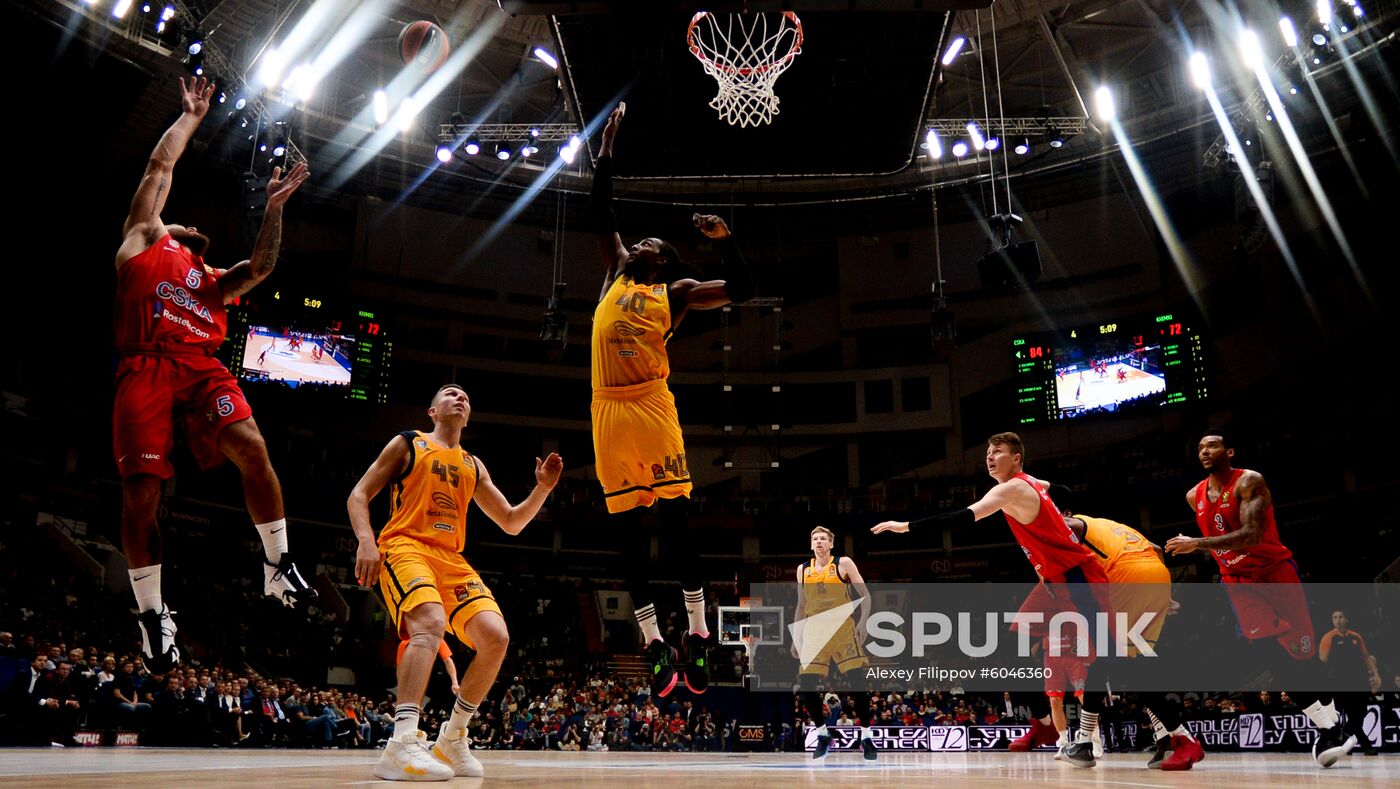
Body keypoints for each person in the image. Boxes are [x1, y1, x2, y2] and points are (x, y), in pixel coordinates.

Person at [111, 76, 316, 671]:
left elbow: (264, 265)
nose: (189, 222)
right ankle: (152, 612)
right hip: (145, 366)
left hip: (201, 371)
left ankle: (277, 565)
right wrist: (191, 118)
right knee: (141, 493)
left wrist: (274, 208)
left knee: (254, 448)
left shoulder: (213, 280)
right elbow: (158, 167)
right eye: (181, 219)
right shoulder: (143, 241)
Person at [590, 102, 754, 697]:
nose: (640, 242)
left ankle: (699, 634)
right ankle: (655, 642)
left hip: (651, 405)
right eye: (638, 240)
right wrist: (607, 148)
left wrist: (726, 238)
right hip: (607, 407)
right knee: (629, 532)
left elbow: (742, 289)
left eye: (651, 242)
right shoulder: (613, 272)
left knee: (678, 520)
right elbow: (599, 208)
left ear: (662, 259)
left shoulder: (675, 292)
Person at [348, 384, 563, 781]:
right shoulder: (409, 443)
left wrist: (542, 489)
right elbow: (359, 494)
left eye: (465, 396)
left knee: (496, 637)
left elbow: (512, 521)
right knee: (429, 622)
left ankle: (452, 737)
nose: (460, 397)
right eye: (450, 393)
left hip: (452, 558)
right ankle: (401, 742)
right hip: (406, 546)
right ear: (432, 411)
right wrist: (365, 539)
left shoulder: (472, 463)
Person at [872, 432, 1116, 768]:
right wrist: (1057, 508)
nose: (989, 456)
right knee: (1012, 644)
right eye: (988, 451)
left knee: (1110, 655)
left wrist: (906, 526)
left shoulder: (1011, 488)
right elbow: (1057, 489)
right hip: (1053, 582)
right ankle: (1047, 726)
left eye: (998, 451)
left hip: (1079, 577)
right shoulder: (1031, 482)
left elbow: (962, 516)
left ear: (1016, 458)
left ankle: (1092, 738)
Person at [1166, 429, 1354, 768]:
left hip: (1275, 573)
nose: (1205, 451)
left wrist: (1197, 543)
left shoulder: (1249, 482)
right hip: (1238, 581)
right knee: (1270, 652)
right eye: (1200, 447)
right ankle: (1329, 727)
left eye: (1213, 445)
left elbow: (1252, 535)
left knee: (1304, 656)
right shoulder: (1194, 496)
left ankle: (1334, 722)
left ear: (1230, 451)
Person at [791, 526, 877, 761]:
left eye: (823, 539)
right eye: (815, 539)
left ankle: (867, 737)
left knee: (857, 682)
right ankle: (822, 734)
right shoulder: (803, 569)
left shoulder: (843, 563)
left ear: (831, 544)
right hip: (814, 629)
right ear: (811, 545)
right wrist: (795, 637)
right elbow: (800, 605)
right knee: (806, 684)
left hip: (842, 627)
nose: (818, 542)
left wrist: (863, 622)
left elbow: (865, 595)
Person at [1319, 609, 1382, 755]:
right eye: (1334, 617)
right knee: (1352, 713)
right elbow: (1322, 662)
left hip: (1359, 680)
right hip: (1339, 682)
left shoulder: (1356, 637)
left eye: (1341, 617)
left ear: (1346, 619)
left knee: (1361, 712)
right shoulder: (1329, 638)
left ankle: (1343, 736)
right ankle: (1366, 746)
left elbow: (1366, 657)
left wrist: (1376, 674)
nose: (1338, 620)